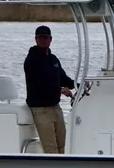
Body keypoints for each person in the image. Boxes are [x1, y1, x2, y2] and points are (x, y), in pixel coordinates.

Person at [23, 25, 75, 154]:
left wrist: (80, 85)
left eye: (46, 37)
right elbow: (38, 85)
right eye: (40, 38)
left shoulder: (53, 59)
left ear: (50, 39)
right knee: (51, 149)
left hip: (56, 108)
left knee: (62, 146)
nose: (43, 40)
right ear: (36, 39)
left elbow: (64, 79)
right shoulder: (31, 61)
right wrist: (59, 90)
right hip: (41, 110)